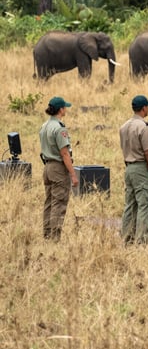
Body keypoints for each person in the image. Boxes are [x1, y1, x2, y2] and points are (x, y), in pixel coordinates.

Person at [119, 95, 148, 245]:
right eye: (147, 107)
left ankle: (127, 239)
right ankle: (142, 242)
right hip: (141, 169)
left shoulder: (124, 127)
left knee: (130, 205)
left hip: (129, 168)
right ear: (144, 108)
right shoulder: (144, 127)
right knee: (145, 205)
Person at [39, 95, 78, 240]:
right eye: (64, 107)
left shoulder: (44, 126)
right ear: (60, 110)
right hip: (58, 168)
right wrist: (73, 174)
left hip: (47, 167)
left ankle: (47, 234)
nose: (66, 109)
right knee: (59, 203)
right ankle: (55, 237)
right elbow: (64, 153)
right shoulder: (59, 128)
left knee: (49, 202)